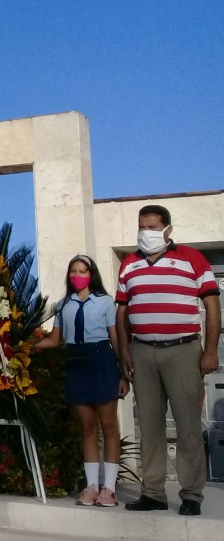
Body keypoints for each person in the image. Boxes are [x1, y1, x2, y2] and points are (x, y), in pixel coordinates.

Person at [116, 205, 220, 516]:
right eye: (141, 227)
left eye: (151, 227)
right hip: (143, 352)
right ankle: (153, 493)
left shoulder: (192, 258)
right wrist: (124, 351)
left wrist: (211, 350)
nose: (145, 233)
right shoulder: (129, 265)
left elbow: (212, 305)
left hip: (184, 350)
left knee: (188, 425)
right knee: (149, 426)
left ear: (167, 230)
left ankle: (191, 494)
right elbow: (122, 312)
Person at [34, 255, 128, 507]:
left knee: (108, 426)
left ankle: (109, 488)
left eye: (82, 270)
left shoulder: (106, 302)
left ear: (92, 274)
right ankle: (91, 486)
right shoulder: (63, 305)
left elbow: (115, 338)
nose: (77, 275)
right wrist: (27, 346)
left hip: (101, 360)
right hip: (75, 362)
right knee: (87, 427)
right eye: (73, 270)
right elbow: (55, 340)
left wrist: (123, 372)